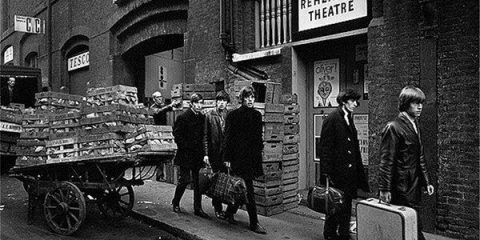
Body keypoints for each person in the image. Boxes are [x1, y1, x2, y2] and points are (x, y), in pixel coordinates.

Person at [378, 86, 434, 240]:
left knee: (411, 224)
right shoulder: (393, 127)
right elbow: (386, 161)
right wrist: (384, 189)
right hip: (400, 186)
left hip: (413, 185)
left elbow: (420, 156)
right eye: (415, 103)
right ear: (405, 103)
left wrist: (426, 181)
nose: (420, 107)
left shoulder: (415, 125)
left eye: (421, 103)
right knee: (409, 225)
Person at [318, 89, 369, 240]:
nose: (355, 104)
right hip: (337, 172)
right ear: (344, 101)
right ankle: (330, 233)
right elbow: (325, 148)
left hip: (349, 173)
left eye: (356, 101)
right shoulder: (333, 118)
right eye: (352, 101)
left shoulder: (348, 117)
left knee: (346, 204)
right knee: (335, 204)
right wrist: (326, 173)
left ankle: (344, 233)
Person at [222, 86, 267, 234]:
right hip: (238, 159)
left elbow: (258, 137)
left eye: (252, 97)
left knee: (240, 189)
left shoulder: (257, 115)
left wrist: (260, 150)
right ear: (242, 99)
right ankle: (254, 223)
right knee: (249, 191)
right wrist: (227, 158)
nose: (250, 100)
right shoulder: (233, 115)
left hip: (252, 159)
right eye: (247, 97)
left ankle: (229, 212)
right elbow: (228, 138)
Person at [171, 93, 209, 218]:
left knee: (198, 182)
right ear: (191, 104)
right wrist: (186, 146)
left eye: (201, 103)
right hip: (185, 154)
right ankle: (175, 202)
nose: (199, 105)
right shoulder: (183, 117)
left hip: (197, 155)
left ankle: (198, 208)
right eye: (196, 103)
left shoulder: (202, 117)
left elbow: (203, 137)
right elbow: (177, 135)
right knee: (185, 179)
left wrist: (204, 153)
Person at [203, 90, 230, 220]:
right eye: (219, 101)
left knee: (227, 180)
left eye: (224, 101)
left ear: (227, 103)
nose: (221, 103)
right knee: (217, 180)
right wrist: (206, 154)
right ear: (216, 102)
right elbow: (206, 137)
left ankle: (228, 209)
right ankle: (218, 208)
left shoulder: (229, 115)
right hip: (214, 154)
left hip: (226, 154)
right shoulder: (209, 115)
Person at [150, 91, 178, 181]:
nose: (160, 99)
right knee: (160, 154)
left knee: (165, 152)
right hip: (157, 132)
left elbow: (171, 109)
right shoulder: (152, 108)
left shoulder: (163, 106)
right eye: (158, 97)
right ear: (154, 99)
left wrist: (176, 105)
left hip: (164, 131)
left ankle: (162, 174)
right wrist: (170, 105)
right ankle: (160, 175)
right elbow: (157, 112)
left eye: (161, 97)